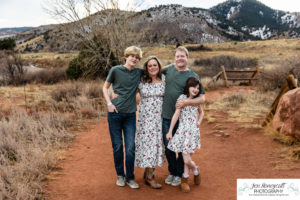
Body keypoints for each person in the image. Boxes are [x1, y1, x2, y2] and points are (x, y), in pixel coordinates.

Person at [162, 46, 205, 187]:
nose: (180, 58)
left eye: (182, 56)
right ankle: (173, 172)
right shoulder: (168, 70)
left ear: (187, 58)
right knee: (168, 147)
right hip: (167, 116)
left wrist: (187, 102)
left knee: (181, 149)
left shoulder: (192, 76)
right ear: (174, 57)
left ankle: (180, 174)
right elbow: (152, 72)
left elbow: (202, 99)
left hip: (184, 121)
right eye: (177, 56)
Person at [102, 46, 143, 189]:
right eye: (132, 56)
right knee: (118, 146)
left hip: (130, 115)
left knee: (131, 147)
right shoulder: (115, 70)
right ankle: (120, 175)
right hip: (115, 114)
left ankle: (130, 177)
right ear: (126, 56)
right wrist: (109, 103)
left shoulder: (139, 72)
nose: (134, 59)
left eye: (137, 57)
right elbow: (105, 87)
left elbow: (154, 73)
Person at [166, 77, 204, 193]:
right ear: (188, 87)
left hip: (193, 132)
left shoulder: (197, 100)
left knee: (187, 159)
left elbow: (201, 112)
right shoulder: (182, 99)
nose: (196, 90)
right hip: (183, 131)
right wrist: (170, 131)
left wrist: (199, 122)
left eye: (198, 88)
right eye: (194, 87)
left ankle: (185, 180)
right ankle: (196, 171)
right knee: (186, 159)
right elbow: (176, 115)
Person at [135, 56, 165, 189]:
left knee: (156, 146)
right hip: (146, 120)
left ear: (159, 66)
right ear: (146, 68)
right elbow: (130, 91)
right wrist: (117, 95)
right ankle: (150, 177)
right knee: (148, 147)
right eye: (150, 66)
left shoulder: (164, 79)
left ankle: (148, 173)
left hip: (159, 119)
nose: (153, 67)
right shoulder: (142, 81)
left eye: (155, 65)